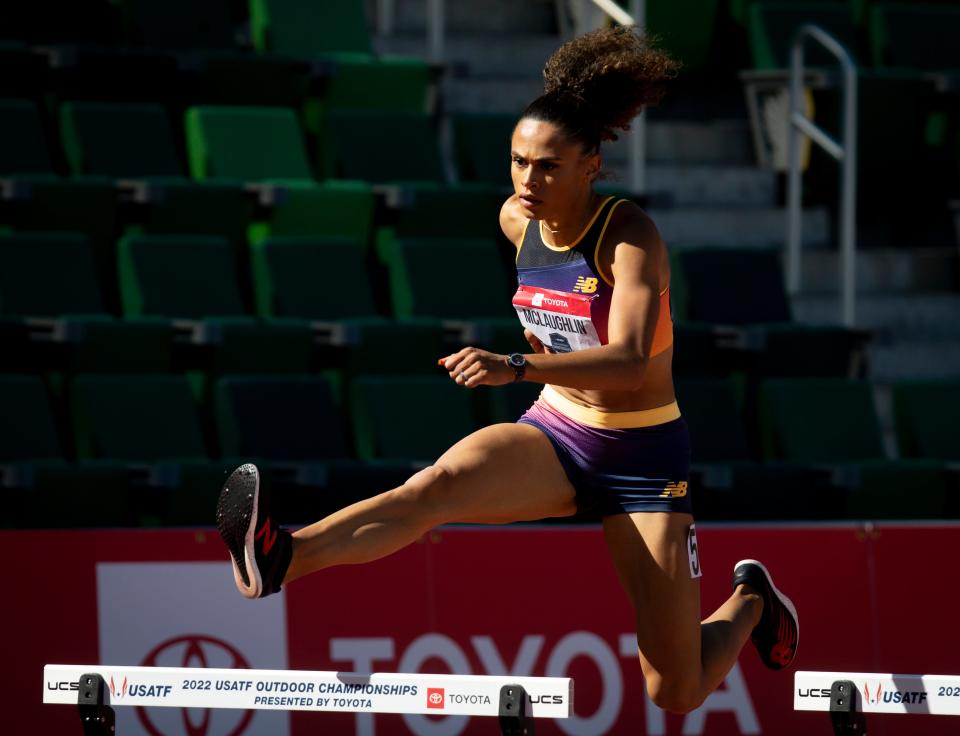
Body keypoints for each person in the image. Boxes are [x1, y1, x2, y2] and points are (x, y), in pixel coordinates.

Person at [215, 26, 798, 714]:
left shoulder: (629, 236)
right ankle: (280, 557)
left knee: (674, 688)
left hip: (643, 456)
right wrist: (538, 364)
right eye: (518, 161)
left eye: (547, 166)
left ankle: (754, 600)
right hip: (557, 431)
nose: (527, 180)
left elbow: (634, 360)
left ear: (591, 165)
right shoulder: (516, 221)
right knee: (436, 487)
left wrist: (516, 363)